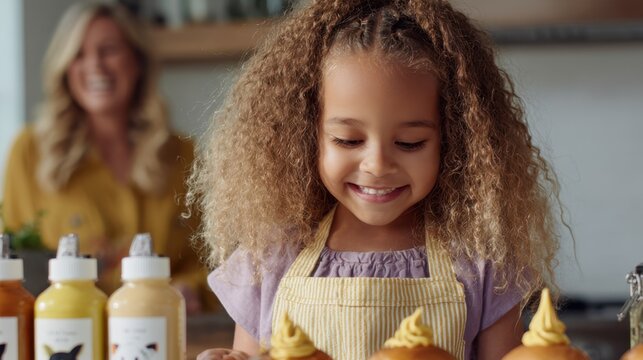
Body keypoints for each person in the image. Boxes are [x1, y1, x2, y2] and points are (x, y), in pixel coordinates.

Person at [191, 0, 564, 359]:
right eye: (348, 140)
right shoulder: (270, 259)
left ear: (455, 143)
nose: (377, 165)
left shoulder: (482, 266)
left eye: (409, 143)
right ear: (305, 137)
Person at [1, 3, 216, 312]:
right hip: (67, 336)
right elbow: (14, 267)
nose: (95, 66)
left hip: (162, 334)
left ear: (137, 62)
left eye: (109, 50)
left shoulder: (184, 155)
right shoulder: (30, 153)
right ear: (64, 68)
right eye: (78, 54)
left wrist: (190, 290)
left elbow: (213, 261)